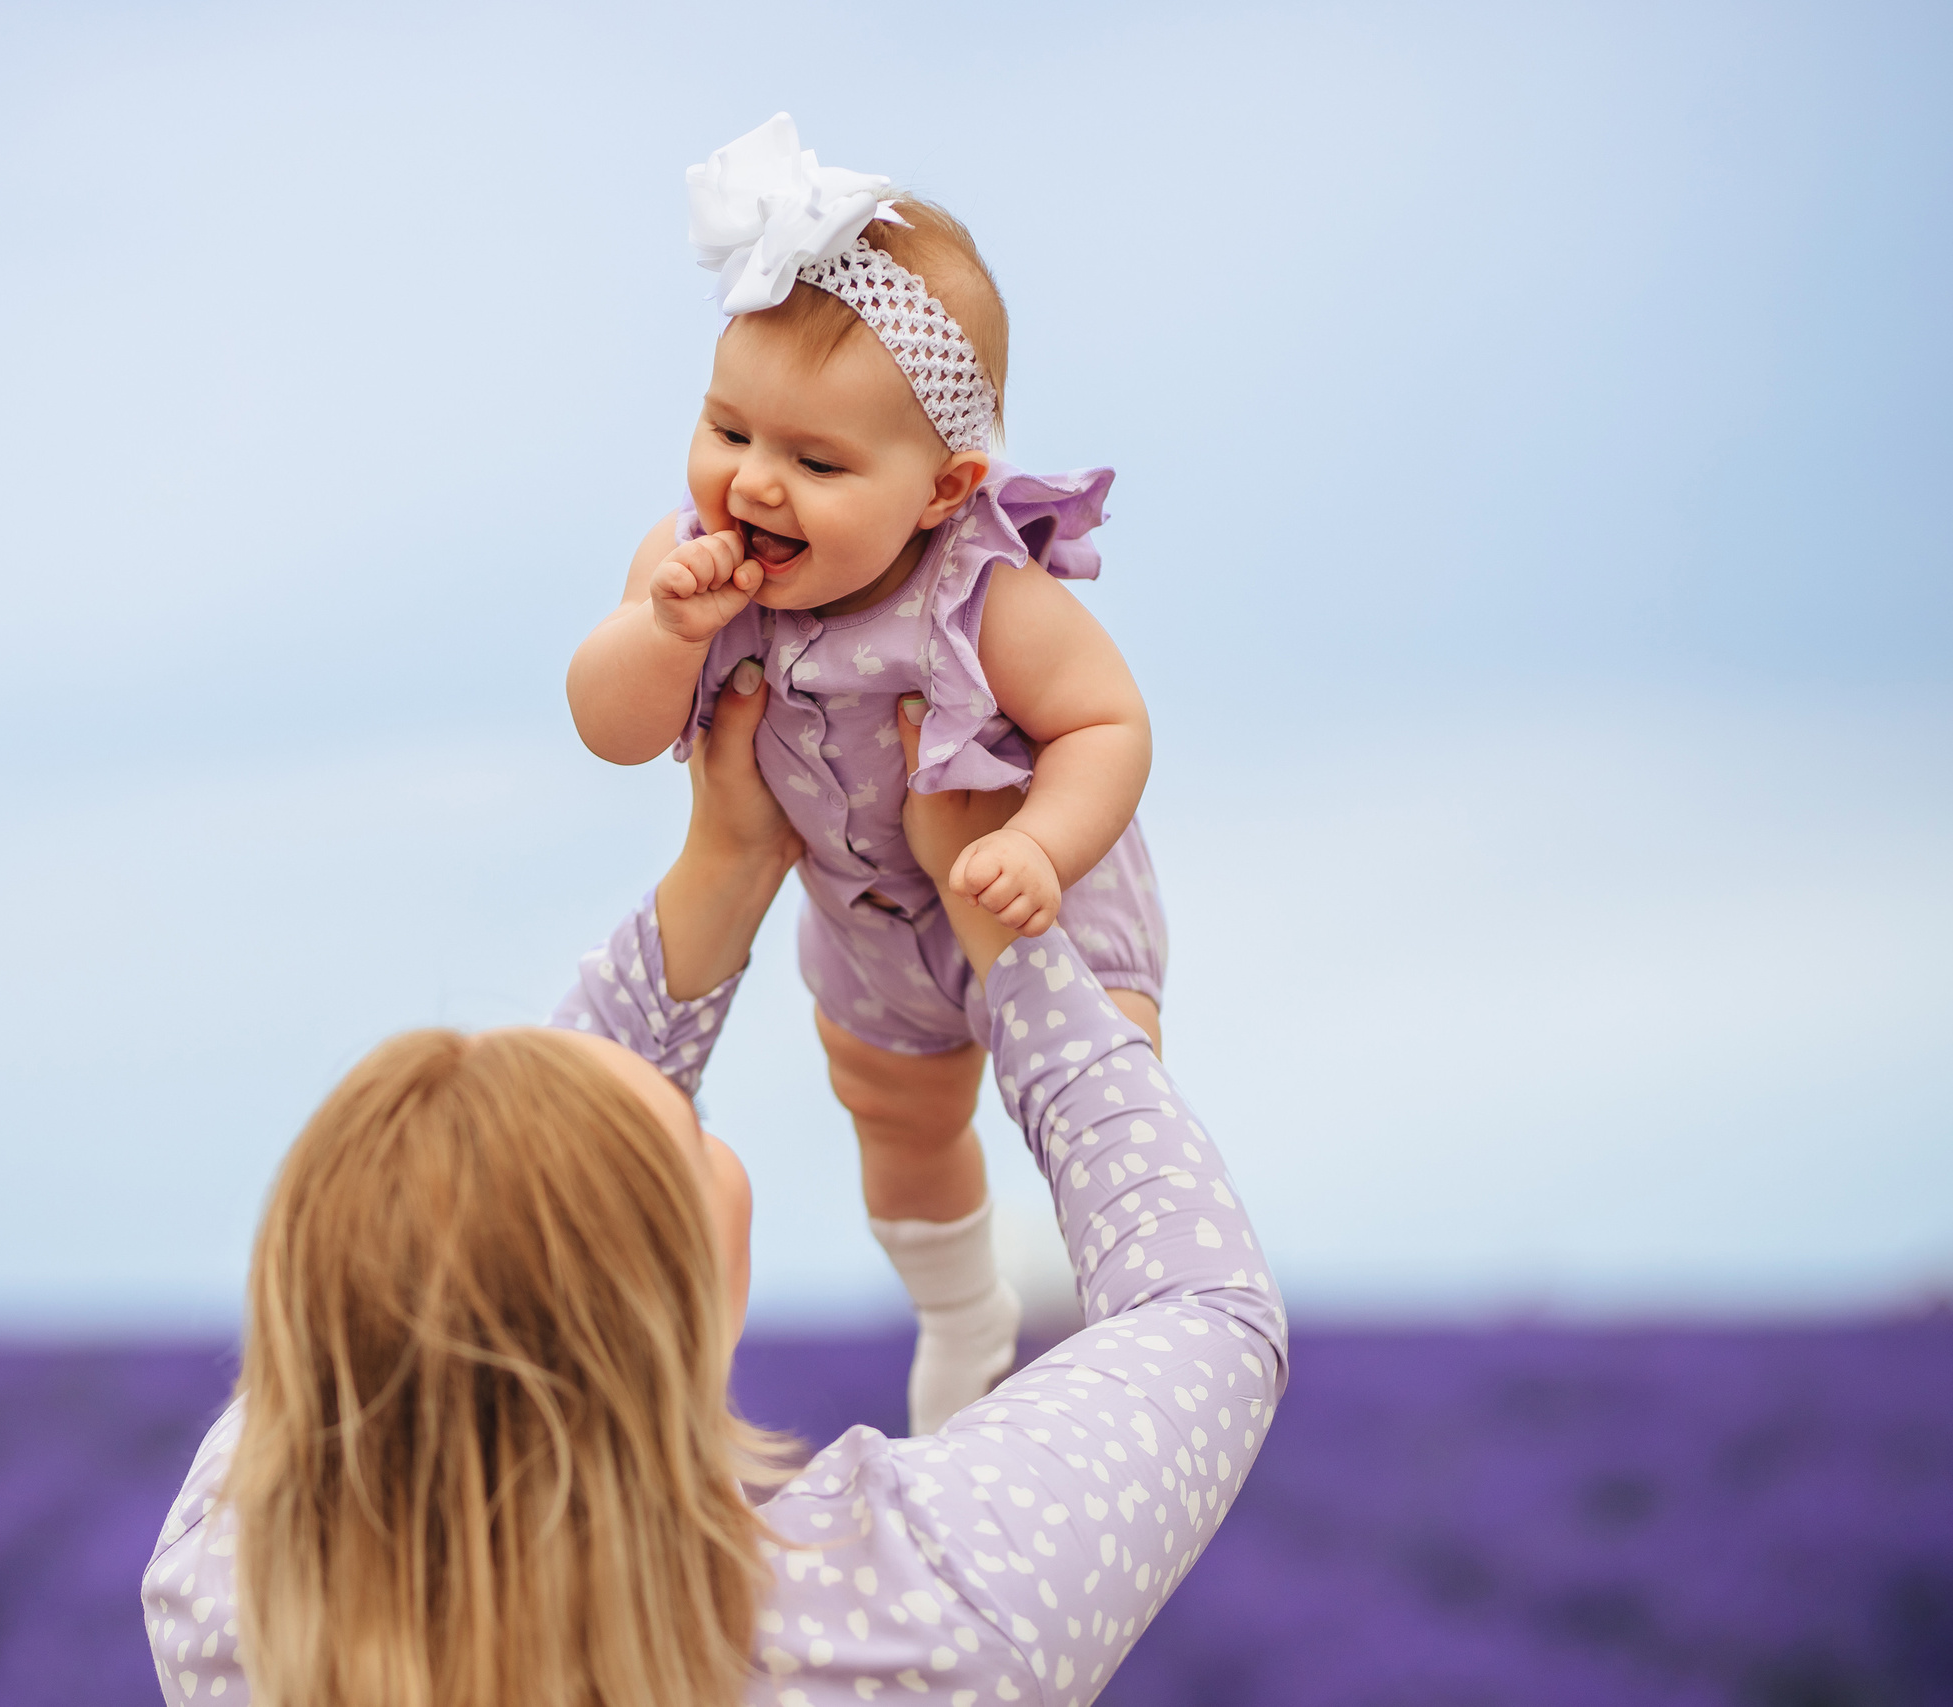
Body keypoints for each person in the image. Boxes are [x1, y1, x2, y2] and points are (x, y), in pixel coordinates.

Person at [141, 670, 1286, 1707]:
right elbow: (1205, 1311)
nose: (693, 1113)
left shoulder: (226, 1604)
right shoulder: (917, 1618)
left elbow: (446, 1248)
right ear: (685, 1302)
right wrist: (1013, 952)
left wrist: (725, 867)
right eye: (685, 1134)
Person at [565, 114, 1166, 1433]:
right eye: (730, 428)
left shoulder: (986, 595)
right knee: (896, 1120)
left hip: (1038, 902)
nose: (755, 483)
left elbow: (1107, 722)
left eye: (817, 461)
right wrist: (661, 632)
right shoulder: (690, 567)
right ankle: (961, 1313)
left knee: (1099, 1097)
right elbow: (609, 725)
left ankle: (1136, 1335)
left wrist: (1044, 845)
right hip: (870, 921)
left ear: (945, 489)